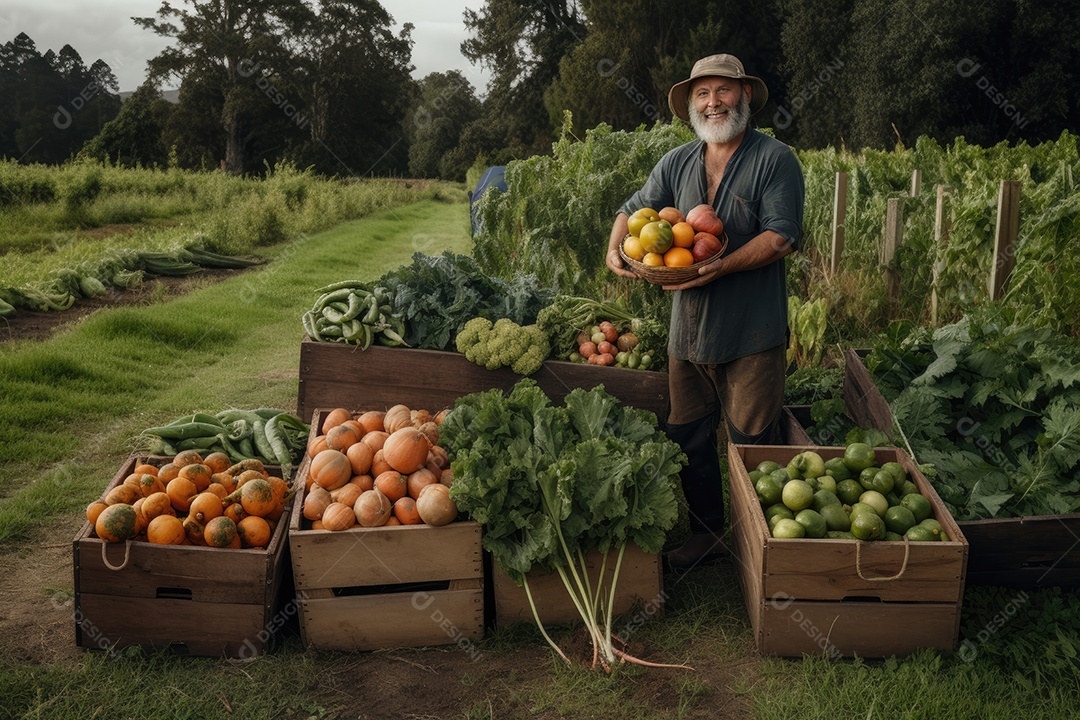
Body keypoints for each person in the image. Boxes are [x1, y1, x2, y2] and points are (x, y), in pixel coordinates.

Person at [605, 53, 805, 568]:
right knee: (688, 435)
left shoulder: (774, 159)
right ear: (691, 104)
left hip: (752, 330)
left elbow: (781, 236)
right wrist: (613, 250)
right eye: (702, 93)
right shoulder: (677, 162)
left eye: (722, 91)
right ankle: (709, 535)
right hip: (689, 332)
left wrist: (725, 264)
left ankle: (763, 547)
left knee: (753, 441)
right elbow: (632, 212)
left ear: (744, 96)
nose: (712, 102)